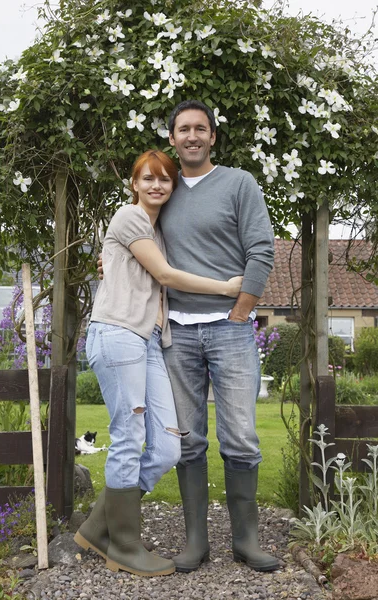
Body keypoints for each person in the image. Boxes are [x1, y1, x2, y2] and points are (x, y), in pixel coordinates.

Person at [74, 149, 243, 577]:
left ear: (171, 187)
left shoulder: (156, 231)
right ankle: (125, 546)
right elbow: (165, 276)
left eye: (164, 180)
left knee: (169, 445)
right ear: (134, 184)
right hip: (118, 334)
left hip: (149, 341)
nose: (156, 185)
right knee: (128, 436)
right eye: (147, 178)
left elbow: (146, 268)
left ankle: (98, 526)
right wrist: (227, 289)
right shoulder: (128, 217)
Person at [158, 99, 279, 573]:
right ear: (172, 138)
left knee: (242, 438)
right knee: (187, 439)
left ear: (212, 136)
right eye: (183, 129)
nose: (191, 136)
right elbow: (141, 243)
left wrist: (241, 311)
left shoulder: (238, 183)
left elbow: (261, 249)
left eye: (200, 129)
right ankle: (195, 543)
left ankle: (245, 542)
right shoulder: (162, 188)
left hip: (229, 331)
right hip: (177, 335)